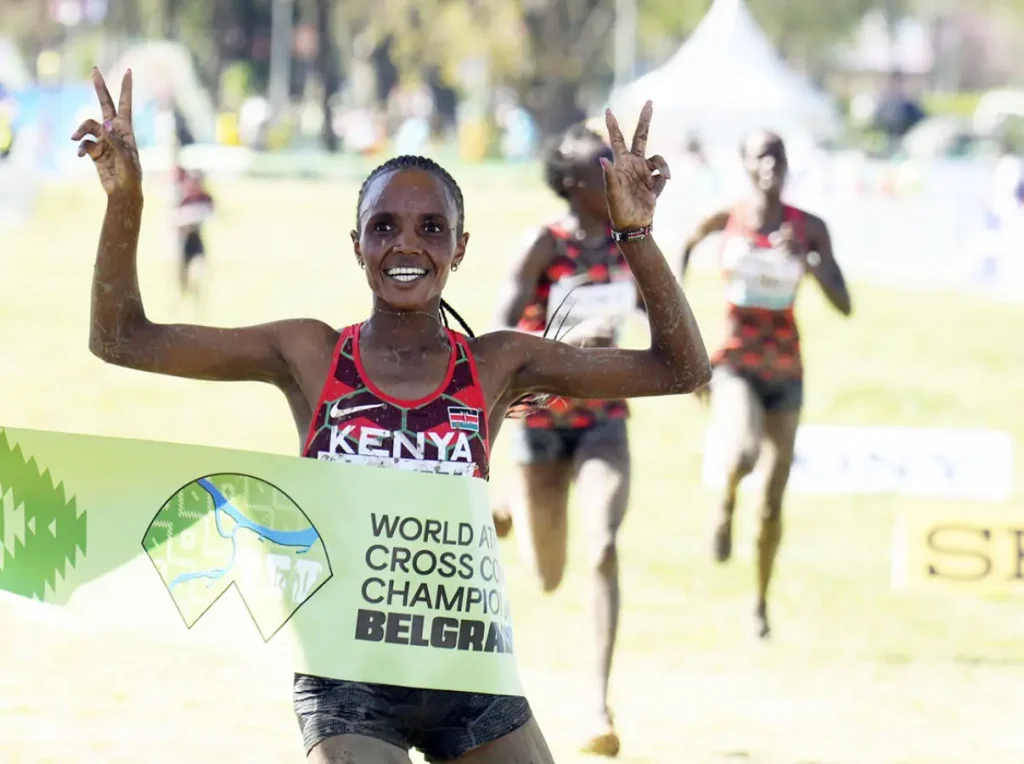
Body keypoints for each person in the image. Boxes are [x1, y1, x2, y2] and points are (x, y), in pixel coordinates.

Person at [75, 68, 709, 764]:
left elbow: (680, 369)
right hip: (347, 674)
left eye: (431, 228)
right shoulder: (310, 353)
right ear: (358, 246)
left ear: (459, 249)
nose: (407, 245)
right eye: (385, 227)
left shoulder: (497, 365)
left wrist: (637, 232)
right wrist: (125, 199)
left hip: (469, 672)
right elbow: (121, 338)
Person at [489, 124, 641, 757]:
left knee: (603, 545)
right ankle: (511, 511)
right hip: (544, 422)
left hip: (604, 418)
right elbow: (498, 328)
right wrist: (564, 348)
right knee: (547, 576)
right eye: (602, 167)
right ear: (575, 183)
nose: (614, 174)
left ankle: (598, 704)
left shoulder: (628, 242)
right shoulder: (542, 245)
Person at [680, 129, 851, 641]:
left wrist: (811, 261)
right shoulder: (725, 218)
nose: (771, 165)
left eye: (778, 156)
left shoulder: (808, 227)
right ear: (745, 164)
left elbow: (845, 304)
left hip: (786, 370)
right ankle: (725, 503)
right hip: (735, 362)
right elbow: (684, 244)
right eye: (761, 157)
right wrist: (669, 310)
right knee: (743, 455)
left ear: (788, 163)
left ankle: (759, 603)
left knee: (775, 501)